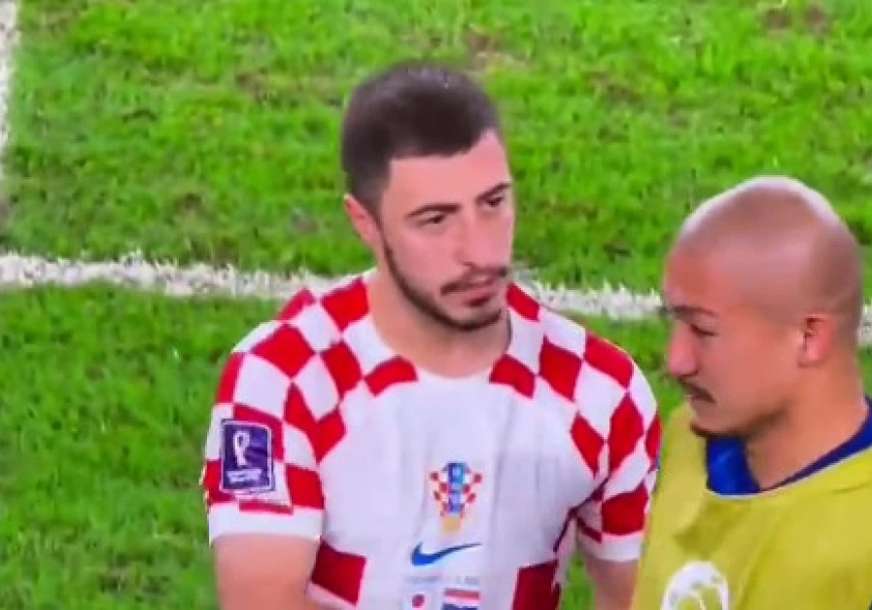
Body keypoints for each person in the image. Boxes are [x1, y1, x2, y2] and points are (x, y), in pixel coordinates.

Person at [199, 61, 660, 610]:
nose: (480, 252)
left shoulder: (601, 393)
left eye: (493, 203)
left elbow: (641, 598)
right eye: (436, 220)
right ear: (366, 224)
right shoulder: (286, 378)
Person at [633, 176, 872, 609]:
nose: (676, 361)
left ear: (808, 337)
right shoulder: (688, 438)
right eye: (673, 321)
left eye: (703, 330)